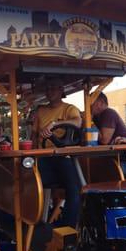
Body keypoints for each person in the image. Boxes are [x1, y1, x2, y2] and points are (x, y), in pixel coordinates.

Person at [31, 77, 82, 227]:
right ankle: (35, 222)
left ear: (61, 90)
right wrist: (33, 153)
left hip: (62, 156)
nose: (50, 91)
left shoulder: (69, 109)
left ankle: (68, 225)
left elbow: (77, 122)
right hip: (42, 157)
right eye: (48, 89)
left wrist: (55, 124)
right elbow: (34, 135)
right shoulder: (40, 110)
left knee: (75, 189)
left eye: (53, 88)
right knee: (31, 184)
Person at [91, 92, 126, 175]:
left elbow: (104, 140)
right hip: (114, 161)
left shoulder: (108, 113)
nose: (89, 106)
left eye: (91, 102)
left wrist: (89, 123)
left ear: (100, 102)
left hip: (124, 163)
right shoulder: (97, 118)